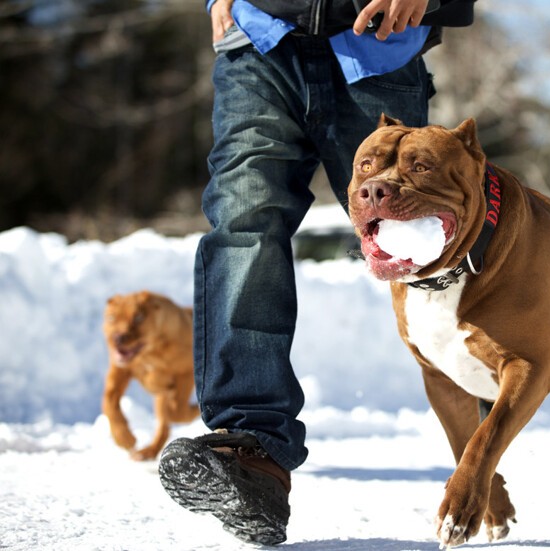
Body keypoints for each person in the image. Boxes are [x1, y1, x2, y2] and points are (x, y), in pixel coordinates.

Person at [158, 0, 476, 545]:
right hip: (260, 40)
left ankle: (493, 409)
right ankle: (254, 449)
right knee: (243, 219)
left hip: (377, 46)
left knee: (420, 234)